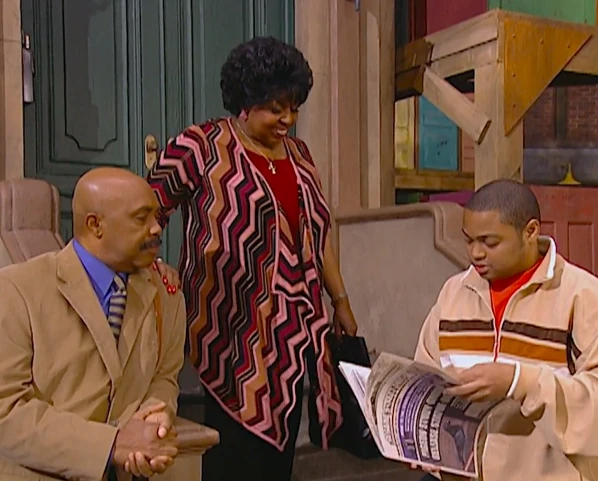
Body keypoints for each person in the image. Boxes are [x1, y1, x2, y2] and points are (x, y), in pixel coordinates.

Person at [148, 35, 358, 481]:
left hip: (292, 327)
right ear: (245, 103)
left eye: (294, 108)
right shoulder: (199, 146)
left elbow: (317, 234)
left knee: (280, 446)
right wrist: (156, 272)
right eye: (276, 109)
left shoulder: (300, 155)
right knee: (233, 453)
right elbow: (147, 210)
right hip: (228, 325)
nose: (288, 120)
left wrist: (339, 300)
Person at [0, 167, 186, 481]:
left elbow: (164, 378)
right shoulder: (17, 290)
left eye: (156, 216)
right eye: (141, 218)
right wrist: (111, 445)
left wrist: (155, 419)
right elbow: (6, 411)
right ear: (95, 225)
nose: (156, 228)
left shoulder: (167, 295)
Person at [414, 179, 598, 481]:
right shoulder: (453, 293)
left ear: (530, 232)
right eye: (469, 240)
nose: (476, 253)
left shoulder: (583, 297)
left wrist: (520, 382)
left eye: (489, 242)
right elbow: (426, 374)